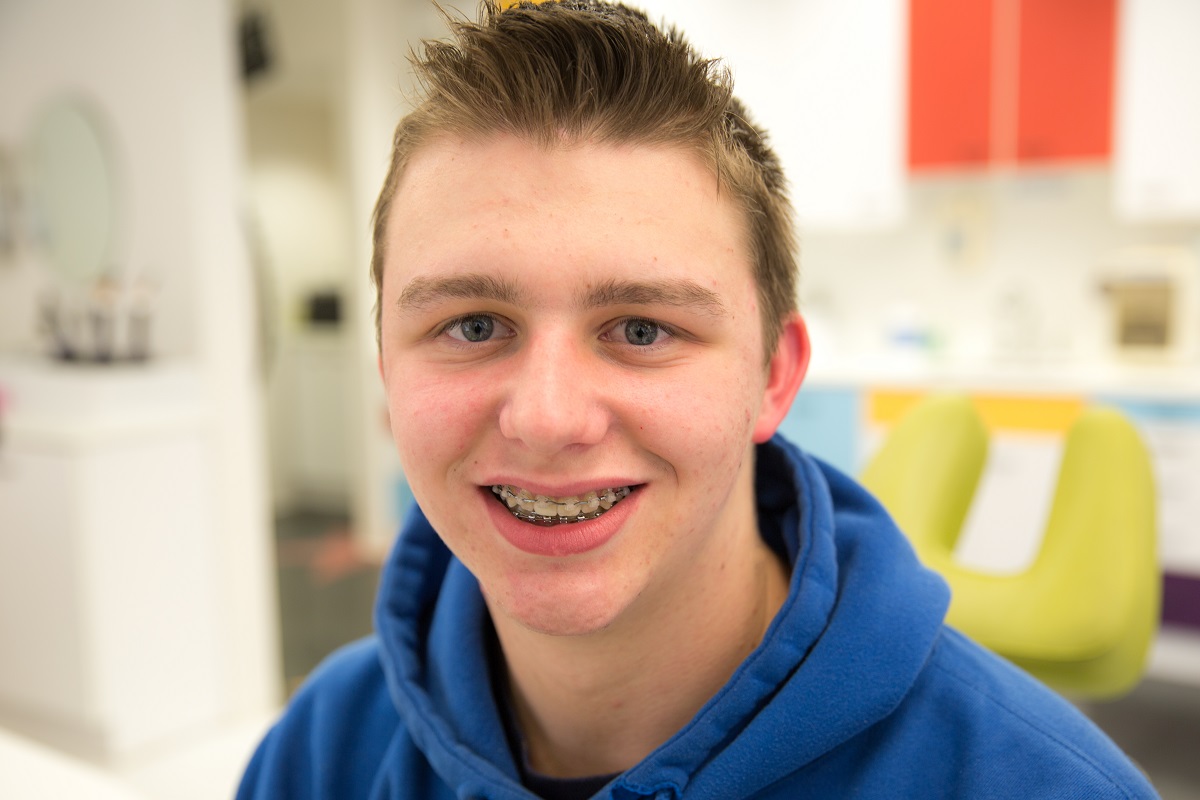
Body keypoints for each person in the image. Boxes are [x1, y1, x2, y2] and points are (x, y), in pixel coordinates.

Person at [238, 2, 1159, 798]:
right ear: (388, 372)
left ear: (774, 377)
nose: (550, 417)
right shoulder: (322, 754)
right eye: (474, 326)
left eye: (641, 329)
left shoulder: (1034, 786)